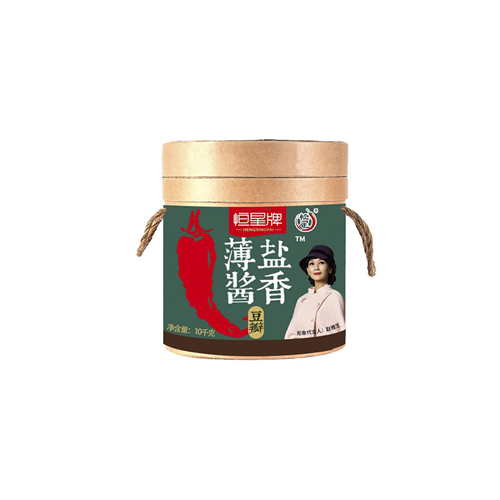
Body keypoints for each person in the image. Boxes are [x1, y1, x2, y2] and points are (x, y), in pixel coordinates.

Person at [284, 245, 345, 339]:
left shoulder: (335, 296)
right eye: (312, 263)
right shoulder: (301, 300)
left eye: (321, 262)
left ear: (330, 269)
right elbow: (291, 333)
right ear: (308, 270)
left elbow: (342, 331)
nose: (316, 267)